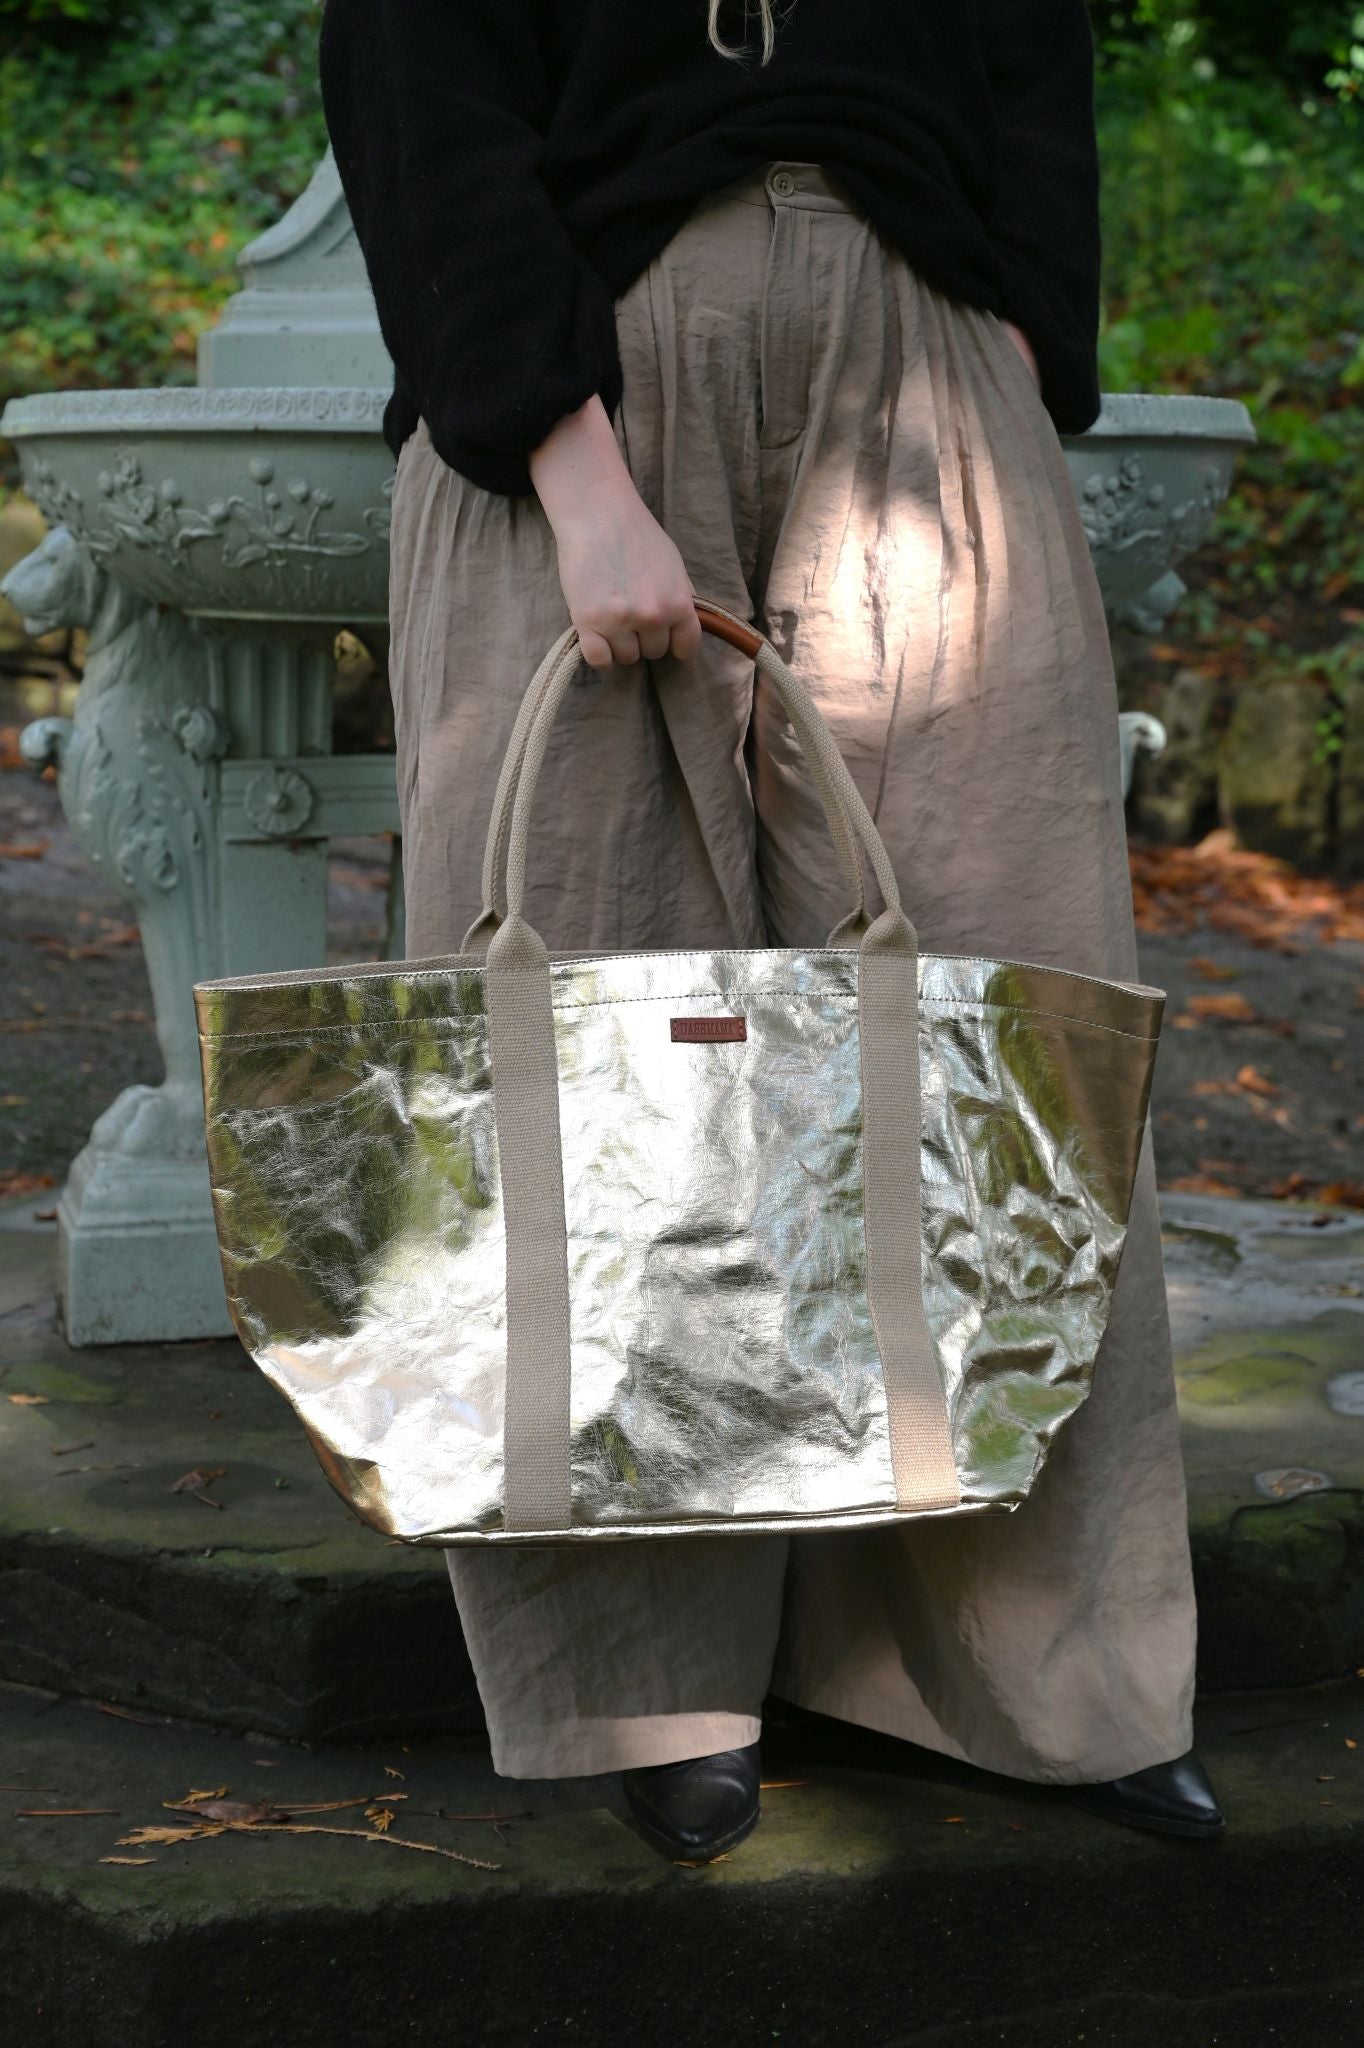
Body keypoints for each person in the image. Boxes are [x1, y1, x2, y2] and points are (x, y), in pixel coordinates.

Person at [319, 0, 1223, 1862]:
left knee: (1009, 1027)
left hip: (925, 381)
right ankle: (650, 1684)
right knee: (599, 1028)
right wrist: (567, 468)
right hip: (584, 374)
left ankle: (1048, 1672)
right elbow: (420, 74)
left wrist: (1020, 339)